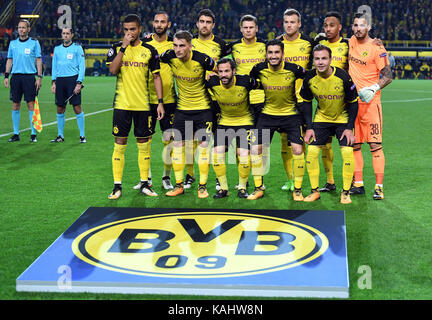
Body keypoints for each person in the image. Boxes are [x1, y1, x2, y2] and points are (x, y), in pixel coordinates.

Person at [105, 14, 164, 200]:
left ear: (139, 29)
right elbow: (113, 70)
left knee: (144, 145)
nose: (129, 33)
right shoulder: (116, 48)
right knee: (119, 144)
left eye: (133, 29)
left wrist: (160, 102)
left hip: (143, 105)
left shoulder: (149, 50)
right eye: (126, 30)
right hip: (122, 105)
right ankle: (117, 186)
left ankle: (145, 183)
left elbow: (156, 77)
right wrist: (123, 47)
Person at [160, 30, 216, 198]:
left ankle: (202, 186)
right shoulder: (169, 56)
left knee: (203, 148)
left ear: (190, 46)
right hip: (182, 110)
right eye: (175, 45)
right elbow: (157, 57)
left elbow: (220, 69)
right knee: (178, 146)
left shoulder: (202, 59)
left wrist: (213, 75)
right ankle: (178, 185)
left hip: (203, 110)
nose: (178, 49)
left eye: (182, 46)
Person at [249, 39, 306, 201]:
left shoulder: (294, 69)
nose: (273, 56)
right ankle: (258, 187)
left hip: (291, 114)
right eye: (270, 53)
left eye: (276, 52)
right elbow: (252, 81)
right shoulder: (259, 68)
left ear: (282, 54)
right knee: (256, 149)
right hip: (267, 114)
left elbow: (309, 78)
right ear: (266, 54)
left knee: (297, 150)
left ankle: (298, 189)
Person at [301, 44, 358, 204]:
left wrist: (349, 128)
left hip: (342, 119)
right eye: (317, 58)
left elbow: (354, 103)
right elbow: (306, 103)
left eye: (324, 58)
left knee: (347, 152)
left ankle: (345, 192)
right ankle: (314, 191)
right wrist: (309, 127)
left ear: (330, 60)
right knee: (311, 152)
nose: (320, 62)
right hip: (321, 119)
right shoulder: (310, 78)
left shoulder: (343, 77)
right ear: (313, 60)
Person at [348, 12, 392, 200]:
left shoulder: (376, 47)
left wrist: (374, 88)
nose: (358, 29)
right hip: (353, 104)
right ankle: (358, 184)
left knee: (375, 145)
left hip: (371, 104)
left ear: (369, 28)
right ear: (352, 27)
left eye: (362, 25)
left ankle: (379, 187)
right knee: (355, 145)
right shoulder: (349, 42)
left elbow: (388, 75)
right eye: (355, 25)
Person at [206, 58, 259, 199]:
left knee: (243, 154)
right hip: (225, 121)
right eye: (220, 71)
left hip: (245, 121)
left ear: (234, 71)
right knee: (216, 152)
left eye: (227, 71)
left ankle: (242, 187)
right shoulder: (212, 82)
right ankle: (223, 189)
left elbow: (262, 86)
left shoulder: (245, 82)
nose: (223, 75)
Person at [192, 8, 231, 191]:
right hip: (195, 98)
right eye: (202, 21)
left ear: (213, 25)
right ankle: (192, 176)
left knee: (219, 140)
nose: (205, 25)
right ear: (197, 23)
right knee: (196, 140)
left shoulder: (221, 45)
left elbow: (227, 69)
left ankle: (218, 177)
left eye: (208, 22)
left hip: (217, 99)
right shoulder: (189, 43)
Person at [277, 8, 315, 192]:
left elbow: (327, 46)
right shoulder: (277, 43)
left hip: (302, 100)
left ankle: (299, 179)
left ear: (299, 24)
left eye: (292, 22)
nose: (289, 25)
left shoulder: (309, 42)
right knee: (285, 142)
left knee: (301, 142)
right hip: (283, 101)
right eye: (286, 22)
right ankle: (290, 179)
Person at [138, 11, 176, 191]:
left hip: (169, 100)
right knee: (145, 140)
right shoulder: (144, 43)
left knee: (169, 140)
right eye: (156, 21)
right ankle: (146, 179)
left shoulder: (175, 44)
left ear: (168, 25)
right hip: (146, 100)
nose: (159, 24)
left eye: (163, 22)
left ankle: (166, 177)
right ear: (153, 23)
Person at [229, 14, 266, 188]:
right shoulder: (234, 47)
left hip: (262, 100)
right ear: (241, 29)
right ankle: (242, 179)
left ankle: (260, 180)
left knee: (259, 144)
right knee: (241, 143)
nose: (248, 30)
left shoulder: (265, 46)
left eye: (251, 27)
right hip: (241, 101)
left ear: (256, 29)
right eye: (245, 27)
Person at [314, 11, 350, 193]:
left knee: (349, 146)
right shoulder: (319, 46)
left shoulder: (348, 44)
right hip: (324, 105)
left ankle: (352, 182)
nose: (328, 29)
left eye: (332, 25)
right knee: (325, 145)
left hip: (345, 105)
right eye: (326, 25)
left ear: (340, 27)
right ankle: (330, 182)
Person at [3, 19, 43, 143]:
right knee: (15, 105)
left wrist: (39, 77)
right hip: (16, 77)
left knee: (31, 105)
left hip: (29, 77)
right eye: (19, 27)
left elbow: (38, 60)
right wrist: (6, 76)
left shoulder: (34, 43)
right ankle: (16, 134)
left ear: (28, 29)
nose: (21, 29)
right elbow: (9, 60)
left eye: (23, 27)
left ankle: (33, 133)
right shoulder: (13, 44)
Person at [50, 27, 86, 143]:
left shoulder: (77, 48)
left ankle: (82, 136)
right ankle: (60, 136)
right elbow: (54, 66)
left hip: (73, 80)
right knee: (60, 108)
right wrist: (53, 82)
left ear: (72, 35)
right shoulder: (57, 49)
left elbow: (82, 66)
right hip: (60, 81)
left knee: (77, 107)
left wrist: (79, 83)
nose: (65, 35)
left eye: (67, 33)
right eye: (63, 33)